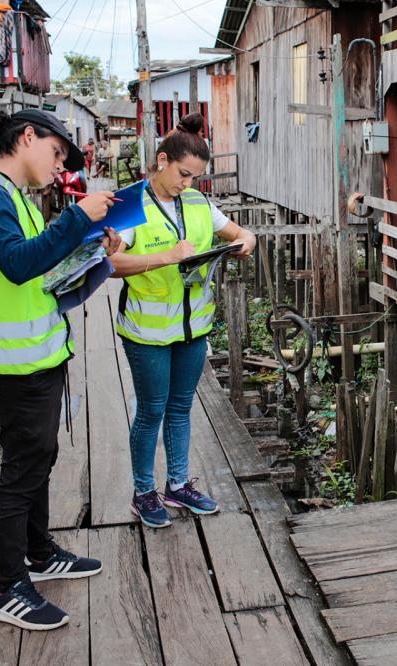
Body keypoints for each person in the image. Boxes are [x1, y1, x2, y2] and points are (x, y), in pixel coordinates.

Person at [0, 109, 120, 630]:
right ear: (27, 137)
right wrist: (77, 218)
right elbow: (18, 264)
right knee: (23, 469)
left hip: (38, 355)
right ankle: (6, 587)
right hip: (14, 363)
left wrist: (91, 248)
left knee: (39, 458)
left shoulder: (15, 197)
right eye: (56, 153)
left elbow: (40, 269)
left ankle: (39, 553)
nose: (59, 166)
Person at [110, 113, 256, 528]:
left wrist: (245, 241)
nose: (187, 183)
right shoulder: (132, 205)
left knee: (180, 408)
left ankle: (177, 484)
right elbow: (112, 263)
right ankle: (143, 491)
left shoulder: (198, 202)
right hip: (148, 332)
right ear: (162, 160)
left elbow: (241, 232)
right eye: (183, 174)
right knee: (151, 411)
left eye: (194, 177)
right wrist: (166, 257)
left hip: (193, 329)